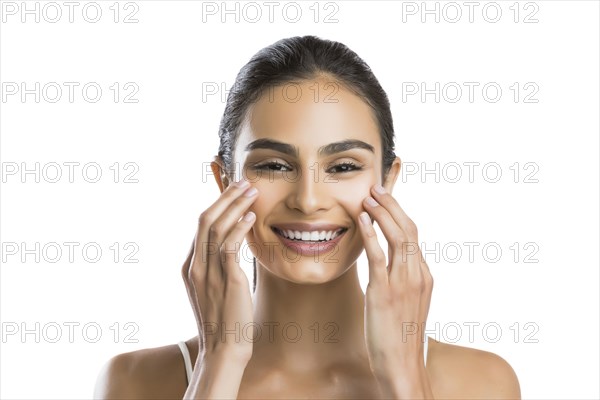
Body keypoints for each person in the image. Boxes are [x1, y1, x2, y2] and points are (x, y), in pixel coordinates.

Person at [94, 35, 521, 399]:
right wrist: (217, 365)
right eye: (275, 166)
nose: (309, 199)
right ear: (224, 182)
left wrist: (406, 379)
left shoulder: (480, 383)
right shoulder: (136, 383)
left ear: (388, 181)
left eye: (343, 167)